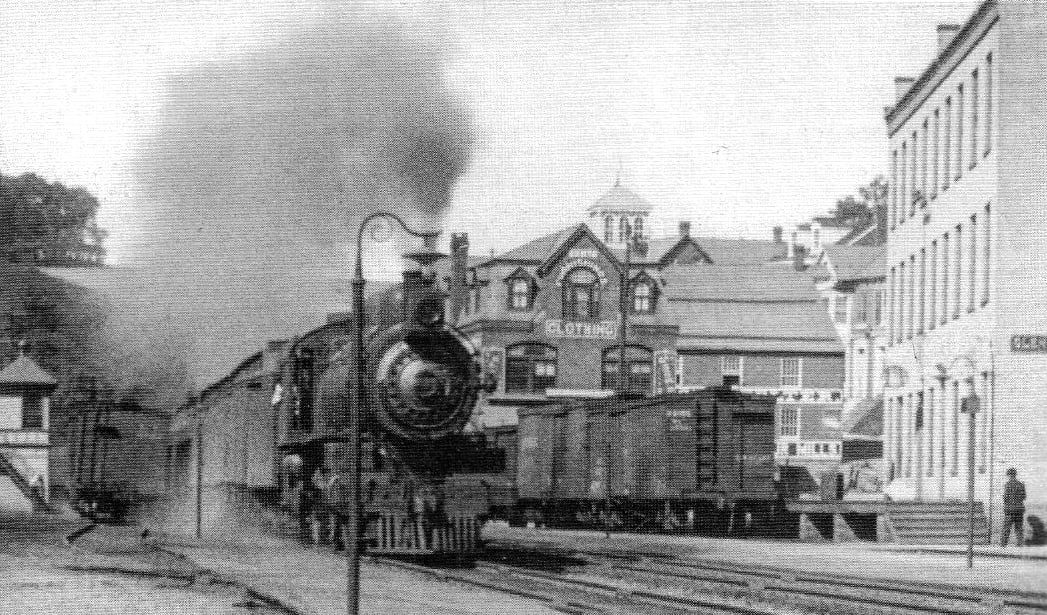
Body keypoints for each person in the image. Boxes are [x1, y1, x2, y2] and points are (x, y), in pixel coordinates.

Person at [1001, 468, 1026, 547]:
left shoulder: (1007, 485)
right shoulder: (1021, 484)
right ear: (1015, 474)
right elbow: (1024, 497)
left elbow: (1005, 498)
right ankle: (1020, 545)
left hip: (1009, 510)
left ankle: (1003, 545)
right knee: (1019, 528)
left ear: (1009, 475)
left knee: (1006, 528)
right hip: (1019, 509)